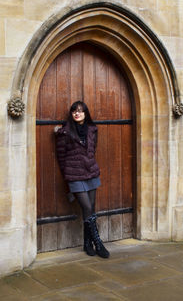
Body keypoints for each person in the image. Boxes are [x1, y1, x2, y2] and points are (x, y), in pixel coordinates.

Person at [55, 101, 110, 258]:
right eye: (74, 111)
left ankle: (87, 244)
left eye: (80, 111)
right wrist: (68, 176)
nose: (76, 114)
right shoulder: (64, 133)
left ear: (86, 113)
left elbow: (93, 150)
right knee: (86, 208)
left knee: (91, 208)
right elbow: (61, 157)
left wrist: (89, 163)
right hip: (74, 175)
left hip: (91, 173)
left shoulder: (92, 130)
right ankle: (98, 242)